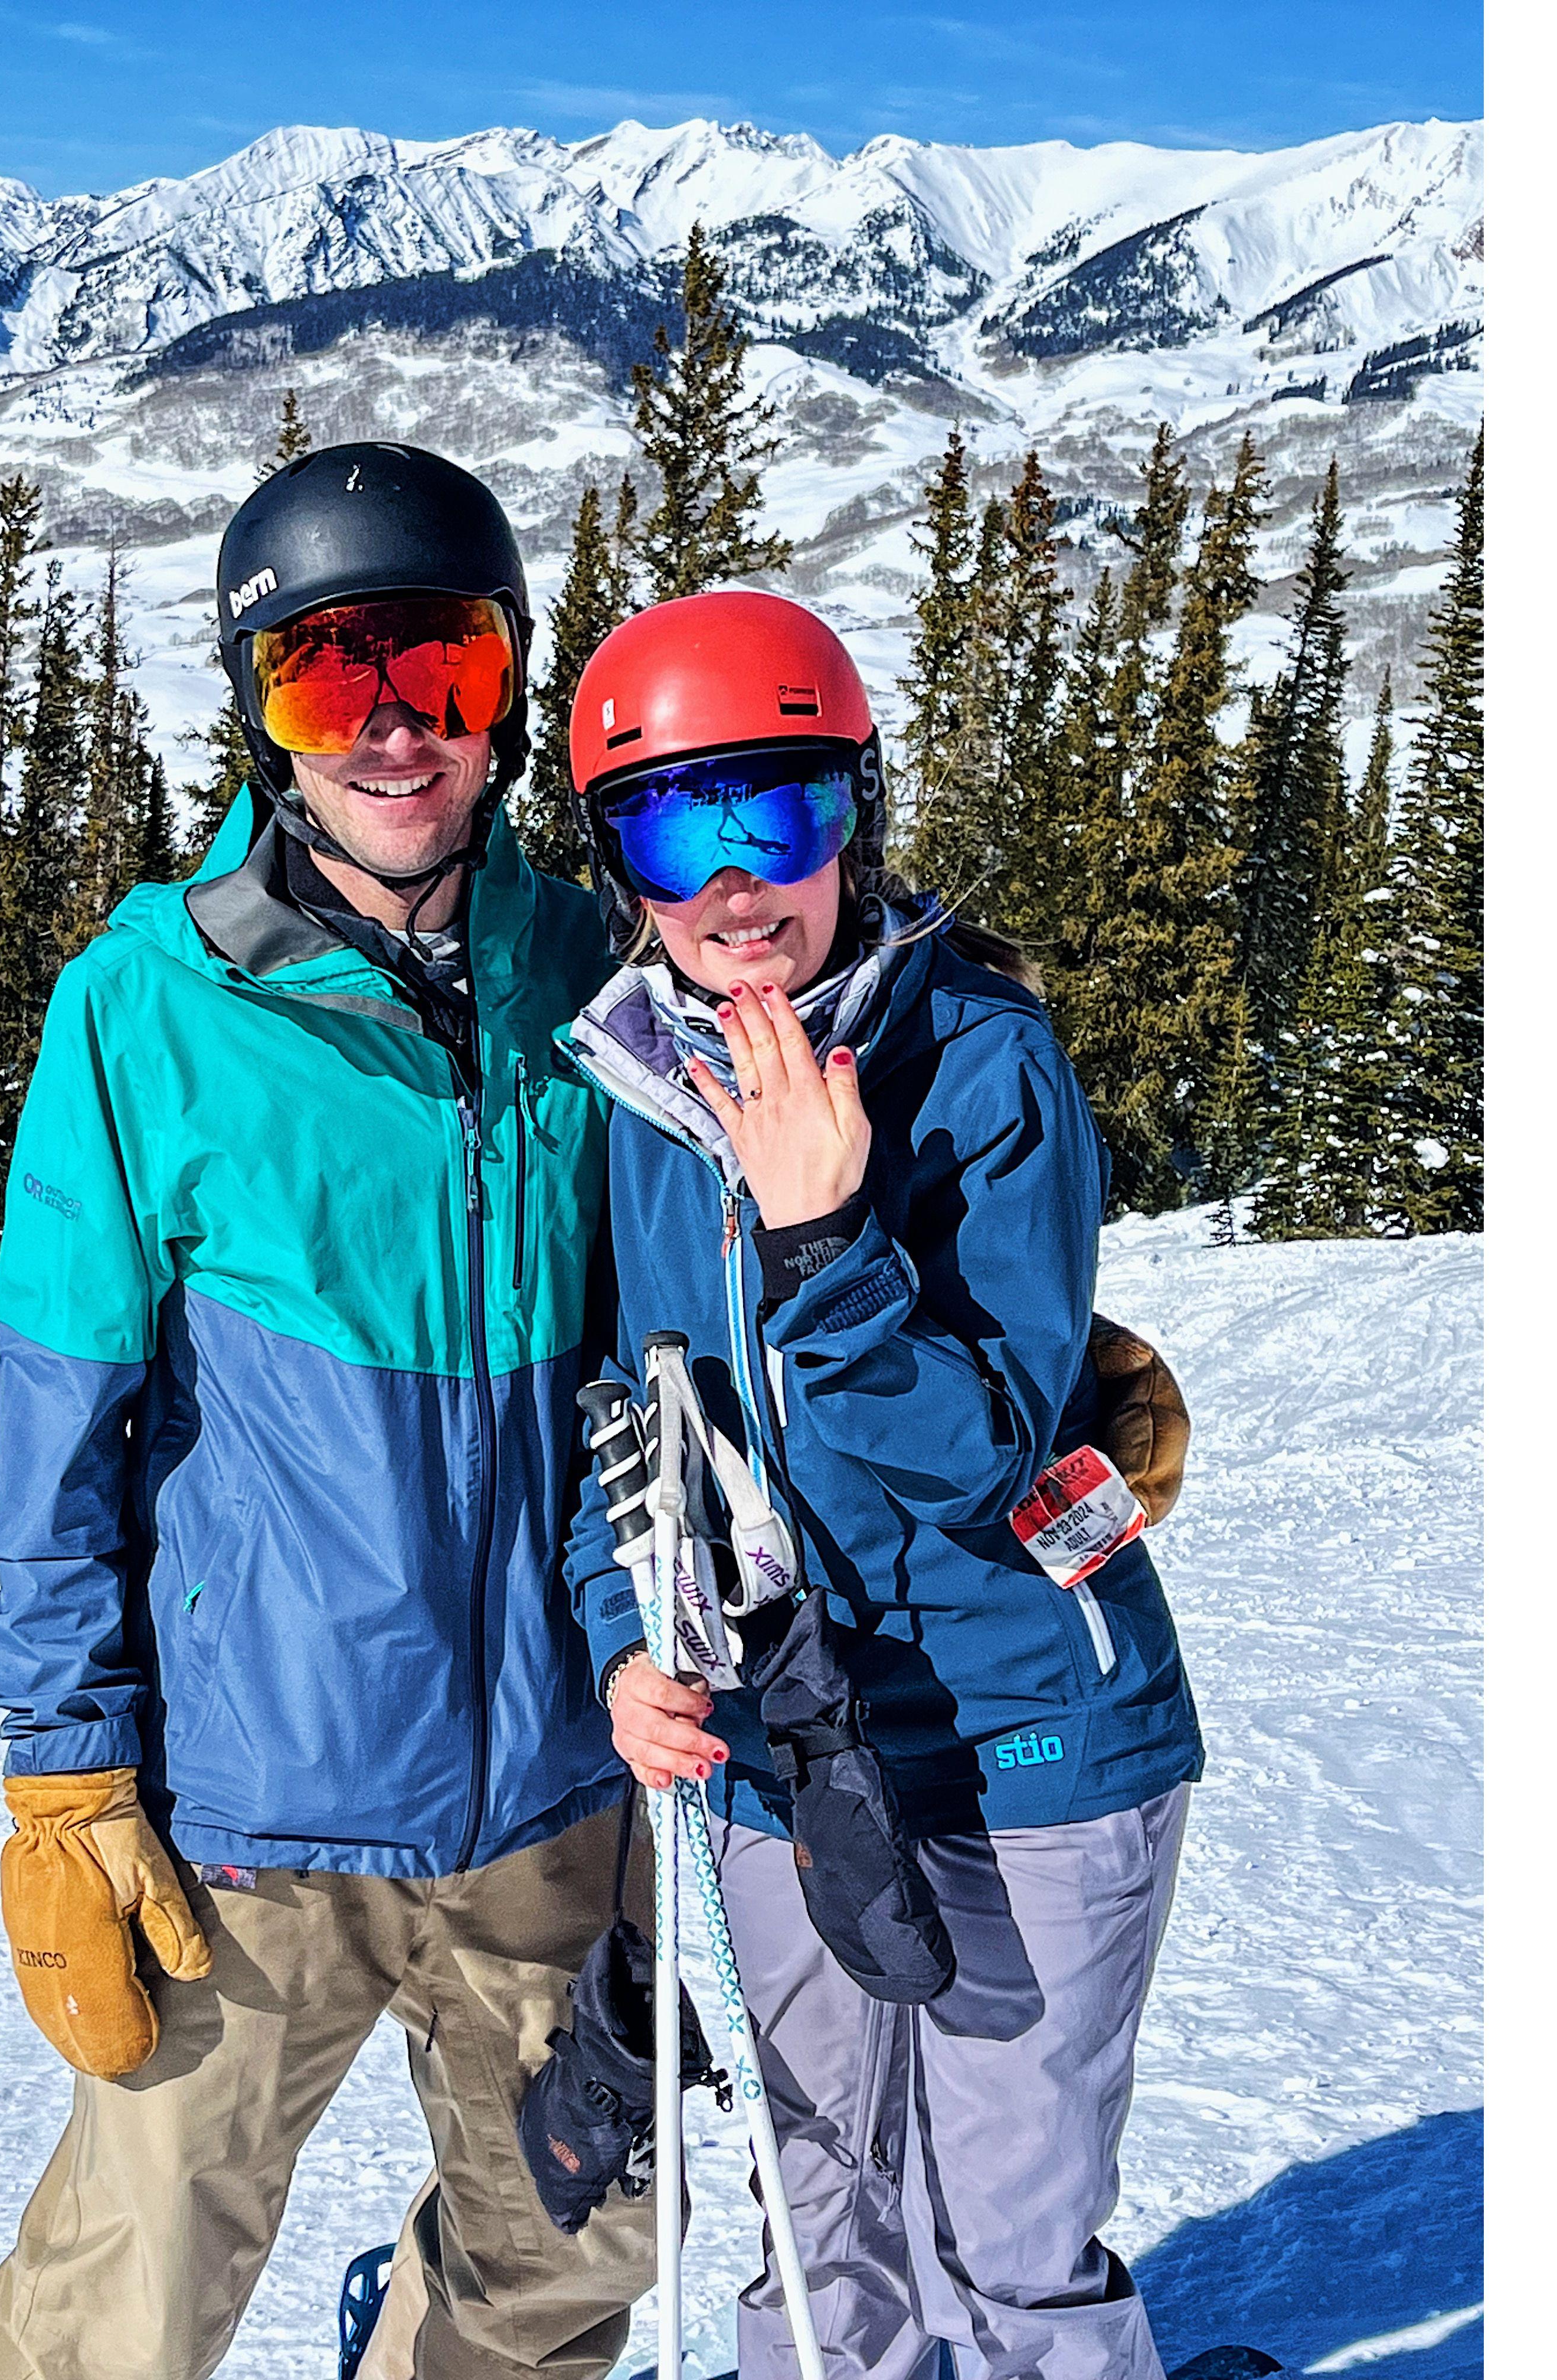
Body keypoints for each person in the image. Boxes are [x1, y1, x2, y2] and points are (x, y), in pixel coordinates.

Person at [0, 444, 655, 2380]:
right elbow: (60, 1428)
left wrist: (1036, 1375)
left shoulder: (593, 976)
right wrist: (69, 1769)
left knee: (560, 2270)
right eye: (331, 676)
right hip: (254, 1821)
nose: (395, 730)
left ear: (507, 687)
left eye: (447, 670)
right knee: (122, 2309)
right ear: (262, 711)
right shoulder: (143, 1007)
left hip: (558, 1808)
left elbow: (761, 1220)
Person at [559, 590, 1206, 2380]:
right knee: (815, 2225)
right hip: (787, 1750)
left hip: (1026, 1749)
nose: (734, 884)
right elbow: (630, 1417)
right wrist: (633, 1641)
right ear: (622, 862)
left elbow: (988, 1450)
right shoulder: (640, 1095)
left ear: (853, 809)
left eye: (778, 811)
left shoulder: (979, 1064)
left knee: (1003, 2247)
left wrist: (829, 1232)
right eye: (675, 827)